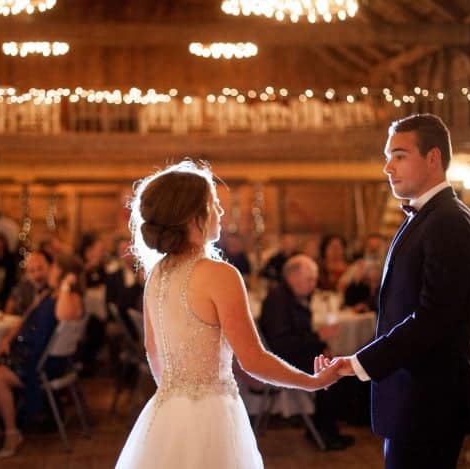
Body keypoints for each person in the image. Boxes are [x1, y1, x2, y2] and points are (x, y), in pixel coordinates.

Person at [115, 161, 343, 468]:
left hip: (167, 412)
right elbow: (253, 360)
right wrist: (312, 382)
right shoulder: (221, 275)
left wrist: (178, 395)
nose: (221, 213)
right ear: (194, 217)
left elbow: (153, 351)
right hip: (212, 413)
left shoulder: (157, 274)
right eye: (215, 205)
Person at [326, 114, 470, 469]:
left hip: (429, 401)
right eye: (387, 156)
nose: (387, 167)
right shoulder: (426, 217)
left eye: (399, 155)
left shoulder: (449, 222)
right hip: (411, 397)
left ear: (433, 158)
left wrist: (361, 362)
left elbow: (434, 318)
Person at [0, 253, 84, 458]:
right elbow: (24, 319)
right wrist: (7, 339)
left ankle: (12, 432)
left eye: (54, 266)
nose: (49, 270)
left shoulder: (70, 298)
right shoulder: (46, 294)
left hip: (43, 362)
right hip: (27, 352)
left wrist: (66, 286)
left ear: (63, 272)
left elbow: (62, 315)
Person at [259, 254, 355, 450]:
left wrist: (320, 346)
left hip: (294, 354)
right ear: (293, 277)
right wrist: (319, 337)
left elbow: (299, 335)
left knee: (336, 365)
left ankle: (322, 429)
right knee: (333, 371)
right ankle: (325, 433)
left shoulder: (291, 296)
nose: (314, 284)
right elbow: (283, 344)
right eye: (310, 279)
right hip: (282, 360)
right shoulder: (278, 300)